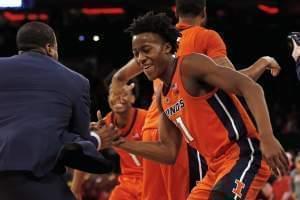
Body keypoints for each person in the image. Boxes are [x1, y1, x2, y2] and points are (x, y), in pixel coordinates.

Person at [110, 1, 281, 199]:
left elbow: (248, 86)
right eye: (136, 54)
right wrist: (120, 142)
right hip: (214, 167)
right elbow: (168, 151)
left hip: (243, 154)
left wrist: (267, 137)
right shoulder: (162, 99)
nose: (140, 59)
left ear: (167, 47)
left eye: (146, 50)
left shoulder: (189, 65)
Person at [0, 22, 117, 200]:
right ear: (49, 48)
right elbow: (77, 146)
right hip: (37, 179)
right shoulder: (76, 81)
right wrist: (97, 138)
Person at [72, 83, 147, 200]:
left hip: (153, 180)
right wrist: (75, 190)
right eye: (114, 93)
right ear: (108, 99)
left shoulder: (147, 119)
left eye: (123, 93)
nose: (118, 97)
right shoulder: (106, 124)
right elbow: (85, 152)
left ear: (132, 98)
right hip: (129, 183)